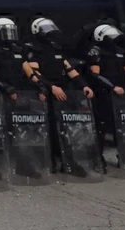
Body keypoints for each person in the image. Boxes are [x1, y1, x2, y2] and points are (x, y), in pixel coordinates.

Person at [24, 17, 97, 175]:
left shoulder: (56, 48)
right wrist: (51, 87)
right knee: (48, 129)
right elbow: (35, 73)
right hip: (46, 92)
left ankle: (69, 162)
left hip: (63, 93)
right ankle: (48, 161)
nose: (49, 32)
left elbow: (70, 70)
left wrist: (84, 85)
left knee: (67, 129)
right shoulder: (33, 49)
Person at [0, 17, 48, 179]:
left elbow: (29, 72)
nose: (10, 35)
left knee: (21, 131)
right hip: (1, 97)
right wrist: (4, 88)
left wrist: (40, 85)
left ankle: (23, 165)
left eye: (12, 31)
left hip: (19, 96)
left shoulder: (18, 50)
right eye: (6, 32)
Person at [86, 24, 125, 170]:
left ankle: (124, 157)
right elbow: (95, 74)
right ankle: (97, 159)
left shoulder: (119, 52)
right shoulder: (96, 52)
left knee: (122, 127)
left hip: (120, 95)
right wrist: (112, 87)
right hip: (104, 95)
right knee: (101, 128)